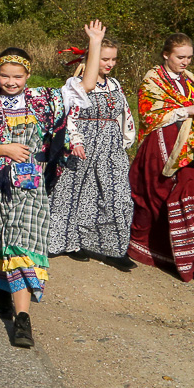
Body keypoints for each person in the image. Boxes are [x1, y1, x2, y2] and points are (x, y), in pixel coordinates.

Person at [0, 22, 103, 349]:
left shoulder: (45, 99)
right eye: (5, 75)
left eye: (17, 76)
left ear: (28, 75)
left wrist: (94, 43)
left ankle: (23, 320)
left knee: (23, 244)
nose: (11, 82)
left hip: (31, 186)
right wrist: (3, 149)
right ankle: (3, 289)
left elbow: (86, 85)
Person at [128, 33, 194, 289]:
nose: (185, 62)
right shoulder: (152, 80)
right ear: (166, 55)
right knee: (160, 197)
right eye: (180, 57)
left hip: (193, 146)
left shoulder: (191, 80)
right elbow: (149, 114)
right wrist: (186, 110)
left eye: (189, 57)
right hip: (163, 146)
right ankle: (167, 254)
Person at [48, 38, 137, 270]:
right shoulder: (77, 83)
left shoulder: (114, 84)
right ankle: (68, 242)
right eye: (104, 59)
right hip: (83, 145)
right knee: (73, 193)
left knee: (118, 195)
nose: (110, 64)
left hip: (110, 145)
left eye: (113, 59)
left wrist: (126, 138)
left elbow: (124, 113)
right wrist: (74, 140)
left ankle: (115, 249)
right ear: (91, 58)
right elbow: (68, 113)